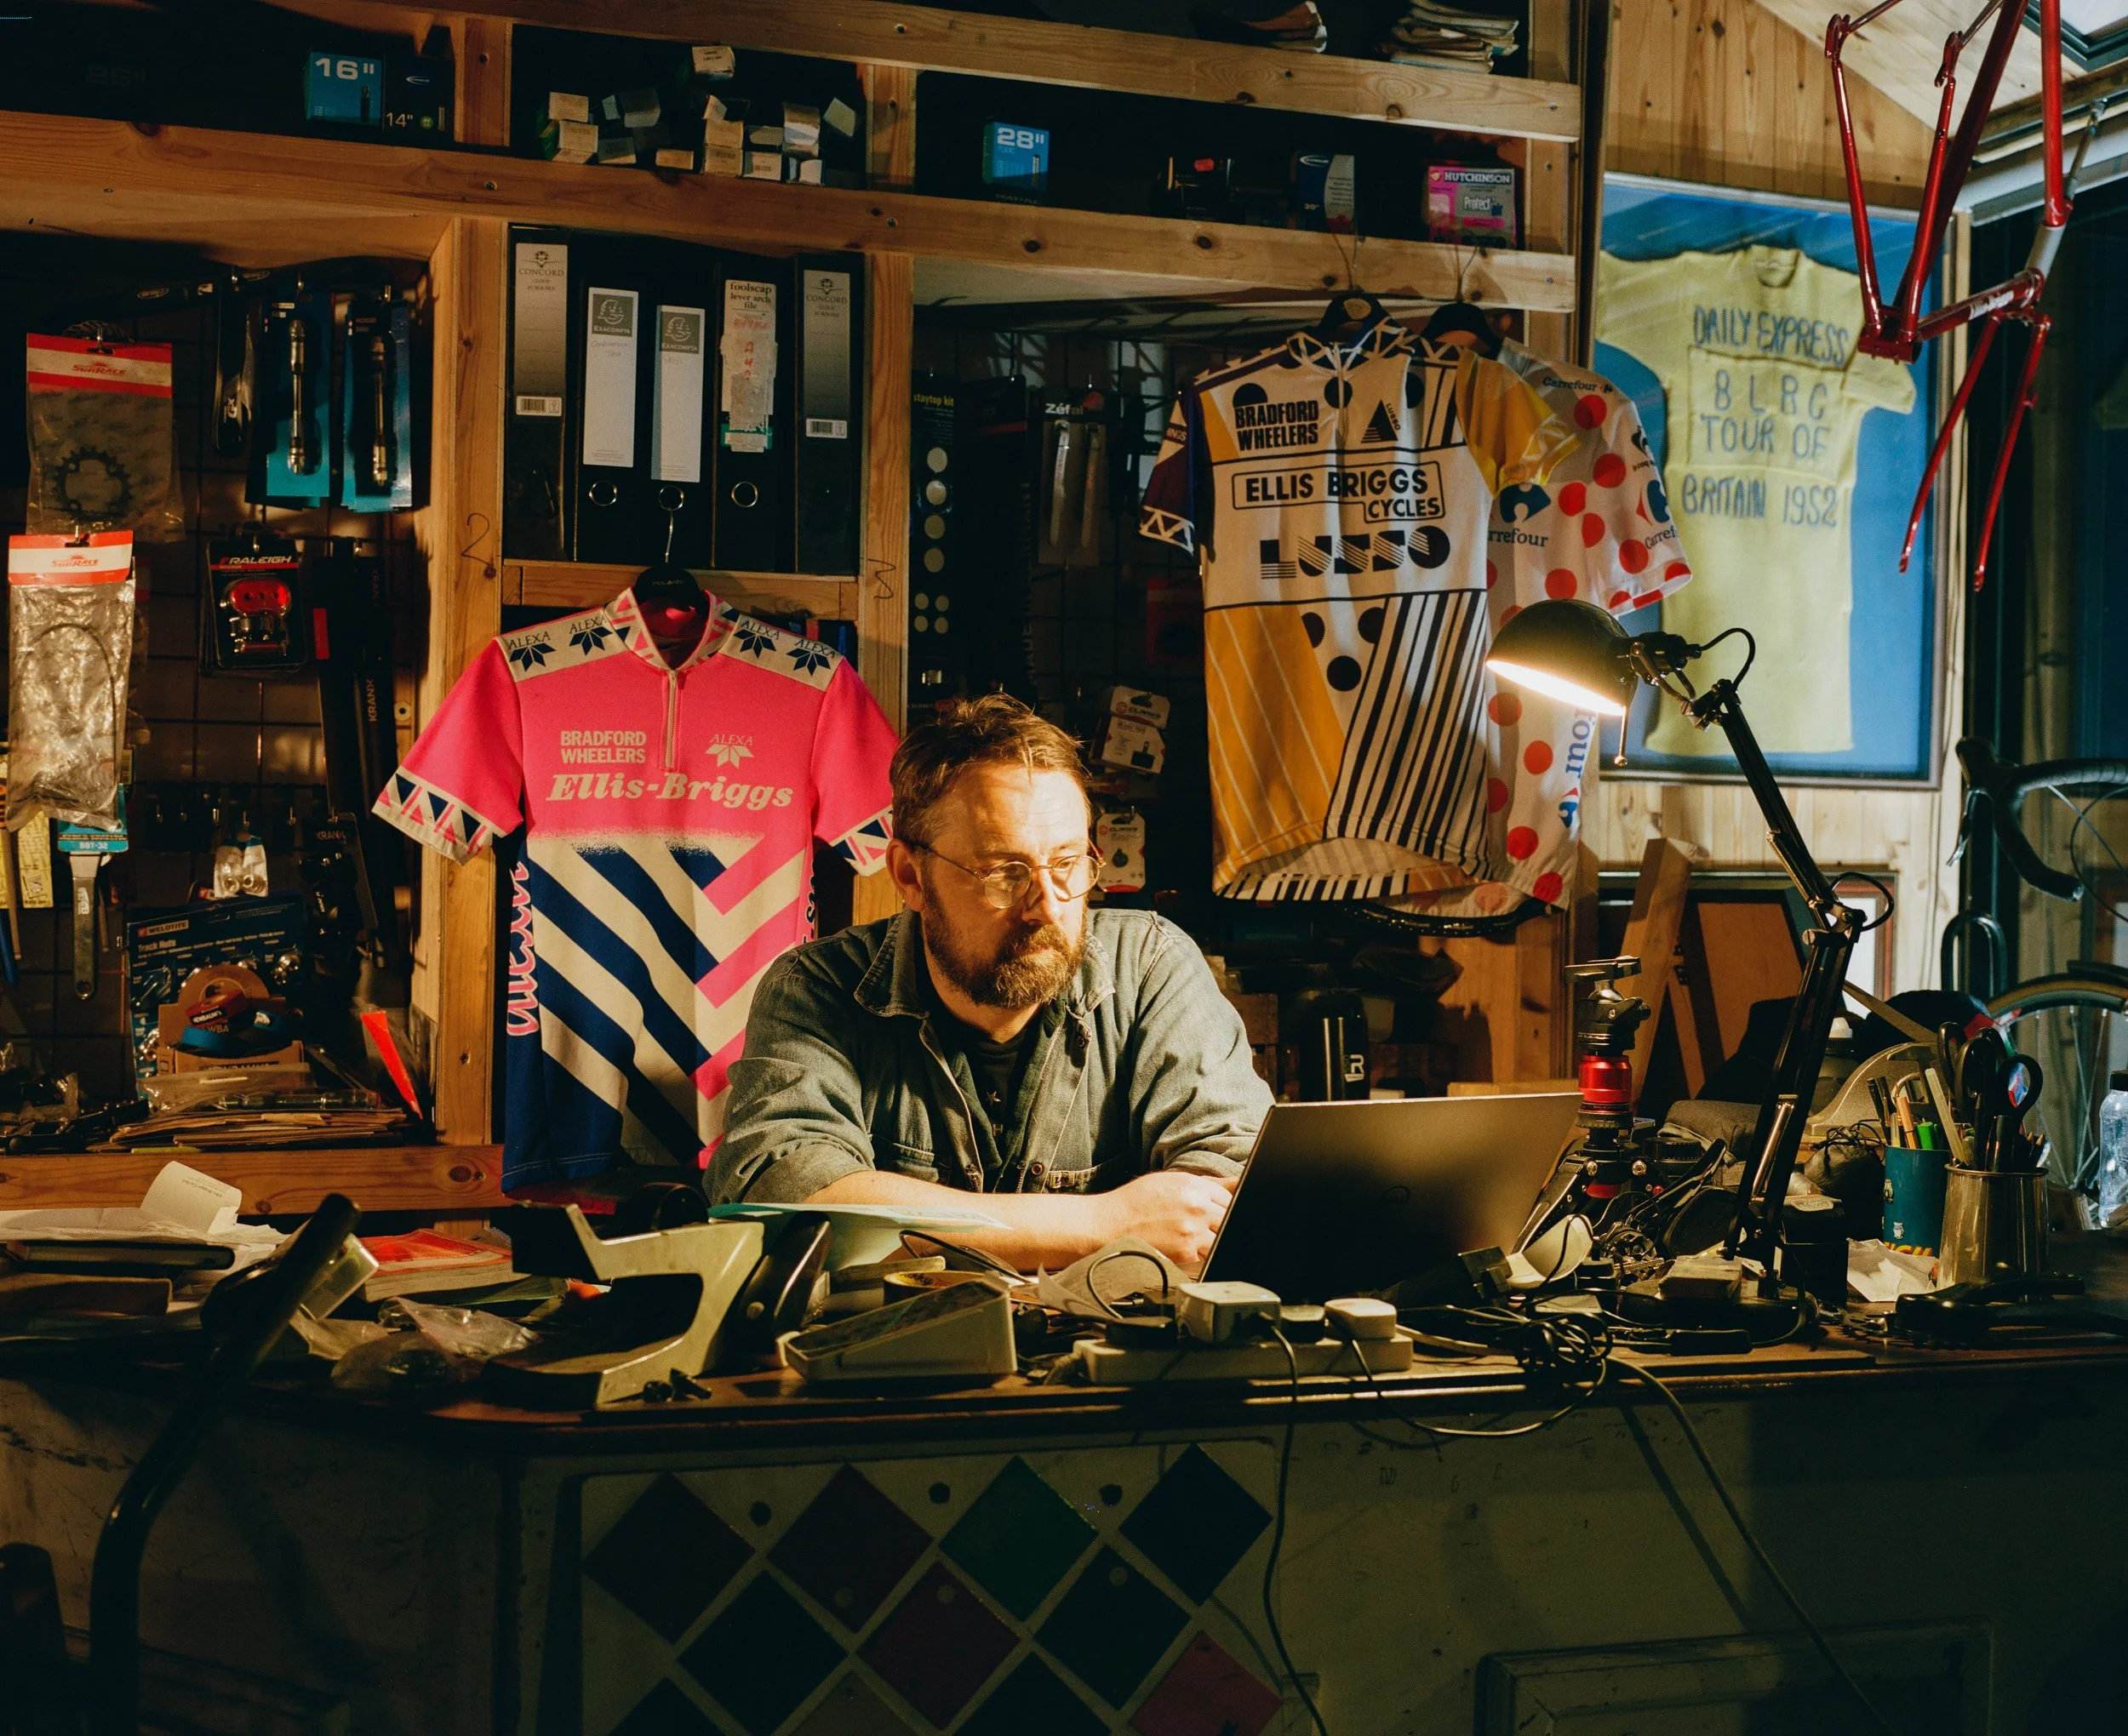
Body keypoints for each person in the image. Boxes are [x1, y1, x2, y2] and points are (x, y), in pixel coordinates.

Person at [710, 695, 1271, 1271]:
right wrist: (1106, 1225)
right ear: (910, 876)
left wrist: (915, 1227)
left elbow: (1233, 1187)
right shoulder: (817, 990)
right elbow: (783, 1191)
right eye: (1005, 871)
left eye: (1067, 863)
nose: (1047, 906)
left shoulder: (1151, 967)